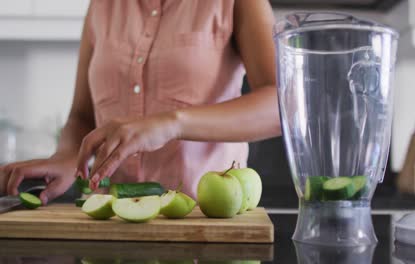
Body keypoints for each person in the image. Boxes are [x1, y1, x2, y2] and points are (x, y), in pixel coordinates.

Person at [0, 0, 280, 204]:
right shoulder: (102, 6)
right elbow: (82, 115)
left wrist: (171, 124)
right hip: (112, 219)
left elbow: (281, 107)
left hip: (203, 218)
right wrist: (66, 158)